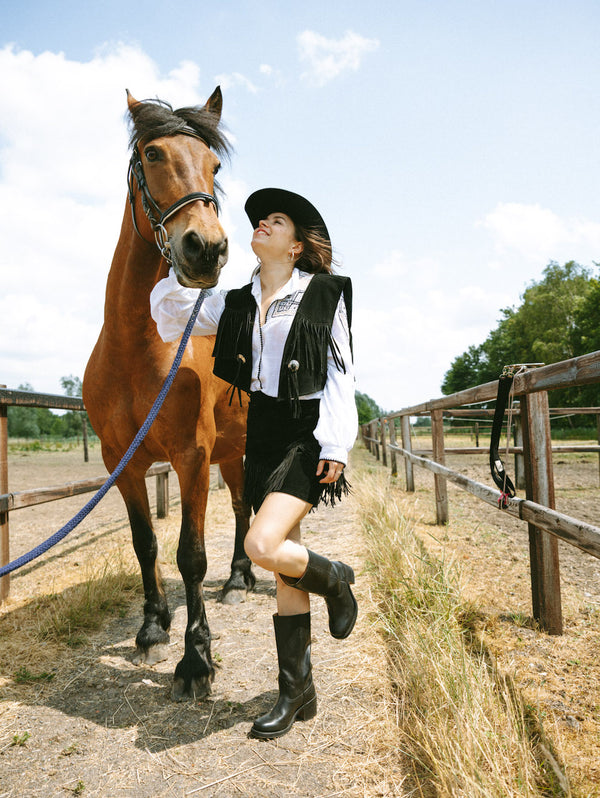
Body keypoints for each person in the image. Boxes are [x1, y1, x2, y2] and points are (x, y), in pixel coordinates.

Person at [150, 187, 358, 739]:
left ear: (295, 246)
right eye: (260, 220)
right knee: (285, 570)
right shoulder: (236, 301)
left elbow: (341, 374)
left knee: (262, 546)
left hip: (305, 432)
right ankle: (298, 691)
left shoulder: (323, 295)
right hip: (260, 432)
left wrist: (336, 445)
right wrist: (180, 259)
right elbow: (172, 315)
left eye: (276, 220)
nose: (262, 224)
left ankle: (335, 579)